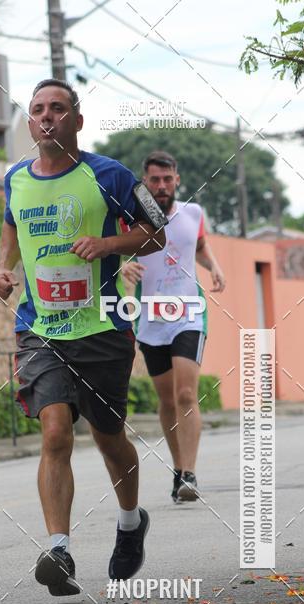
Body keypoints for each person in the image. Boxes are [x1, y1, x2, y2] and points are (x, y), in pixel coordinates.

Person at [0, 79, 165, 596]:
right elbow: (11, 228)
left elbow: (155, 230)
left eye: (59, 109)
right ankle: (60, 550)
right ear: (30, 124)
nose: (48, 117)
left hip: (102, 327)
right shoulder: (16, 179)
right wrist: (3, 271)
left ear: (77, 121)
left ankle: (131, 522)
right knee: (54, 433)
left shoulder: (109, 174)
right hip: (40, 329)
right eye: (39, 110)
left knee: (109, 437)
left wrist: (109, 241)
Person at [123, 150, 225, 503]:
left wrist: (213, 266)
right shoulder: (130, 218)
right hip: (150, 318)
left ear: (177, 180)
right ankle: (179, 469)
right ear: (146, 182)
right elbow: (119, 254)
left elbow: (197, 246)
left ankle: (191, 474)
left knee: (185, 394)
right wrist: (124, 268)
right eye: (155, 180)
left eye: (168, 179)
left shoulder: (192, 213)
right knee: (166, 400)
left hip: (189, 313)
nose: (162, 186)